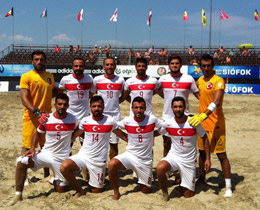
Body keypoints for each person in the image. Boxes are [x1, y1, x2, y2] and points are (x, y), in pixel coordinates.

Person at [10, 93, 79, 205]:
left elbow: (81, 131)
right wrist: (33, 148)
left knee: (62, 191)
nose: (62, 106)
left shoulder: (74, 119)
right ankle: (18, 195)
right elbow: (38, 134)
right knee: (21, 161)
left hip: (62, 158)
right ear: (55, 105)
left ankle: (54, 179)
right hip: (46, 154)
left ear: (68, 106)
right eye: (60, 104)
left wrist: (73, 137)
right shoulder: (47, 118)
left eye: (65, 104)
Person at [60, 95, 127, 199]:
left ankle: (95, 179)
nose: (96, 108)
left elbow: (122, 134)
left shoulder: (110, 121)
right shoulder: (85, 121)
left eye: (99, 106)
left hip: (98, 161)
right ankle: (80, 190)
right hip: (83, 156)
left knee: (96, 191)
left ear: (103, 107)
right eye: (94, 106)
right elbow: (74, 135)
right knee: (64, 167)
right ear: (90, 107)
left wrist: (134, 142)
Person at [188, 54, 233, 198]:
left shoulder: (218, 81)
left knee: (221, 155)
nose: (206, 69)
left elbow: (217, 101)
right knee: (201, 153)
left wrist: (205, 114)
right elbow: (200, 96)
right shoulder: (200, 80)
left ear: (213, 66)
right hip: (202, 123)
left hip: (216, 124)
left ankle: (228, 185)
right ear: (200, 67)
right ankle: (202, 177)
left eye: (208, 66)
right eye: (203, 66)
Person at [156, 96, 211, 201]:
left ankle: (181, 176)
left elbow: (205, 138)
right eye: (175, 107)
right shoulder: (168, 123)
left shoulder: (193, 122)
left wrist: (208, 158)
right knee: (160, 168)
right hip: (174, 156)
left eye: (180, 106)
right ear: (172, 108)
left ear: (185, 107)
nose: (178, 109)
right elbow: (157, 133)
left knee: (188, 195)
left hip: (189, 161)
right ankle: (165, 192)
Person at [108, 96, 162, 200]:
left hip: (145, 160)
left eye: (141, 108)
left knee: (146, 191)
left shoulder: (152, 119)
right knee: (112, 164)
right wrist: (124, 137)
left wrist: (152, 134)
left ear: (145, 108)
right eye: (136, 108)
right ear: (132, 108)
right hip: (130, 156)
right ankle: (116, 192)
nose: (139, 110)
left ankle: (142, 177)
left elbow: (163, 127)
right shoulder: (127, 121)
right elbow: (114, 127)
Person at [20, 50, 60, 177]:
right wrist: (36, 111)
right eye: (36, 59)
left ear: (45, 61)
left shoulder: (49, 76)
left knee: (46, 147)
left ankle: (46, 175)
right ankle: (24, 176)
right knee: (27, 147)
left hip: (47, 117)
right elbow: (24, 99)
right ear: (32, 61)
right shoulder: (26, 76)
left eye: (41, 59)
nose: (39, 62)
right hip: (31, 117)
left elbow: (54, 91)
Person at [156, 55, 199, 157]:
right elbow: (156, 90)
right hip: (167, 116)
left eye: (177, 63)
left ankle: (180, 166)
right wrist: (167, 98)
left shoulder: (188, 79)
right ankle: (167, 168)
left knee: (182, 144)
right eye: (172, 63)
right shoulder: (163, 79)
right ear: (169, 65)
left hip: (184, 116)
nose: (174, 65)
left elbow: (198, 95)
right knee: (166, 143)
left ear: (180, 65)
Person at [92, 57, 125, 159]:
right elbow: (92, 94)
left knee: (114, 144)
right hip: (100, 115)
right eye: (107, 65)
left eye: (112, 64)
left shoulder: (120, 80)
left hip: (115, 115)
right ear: (104, 67)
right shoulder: (97, 79)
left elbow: (123, 96)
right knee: (98, 143)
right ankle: (99, 166)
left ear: (115, 66)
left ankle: (112, 169)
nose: (110, 67)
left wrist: (116, 102)